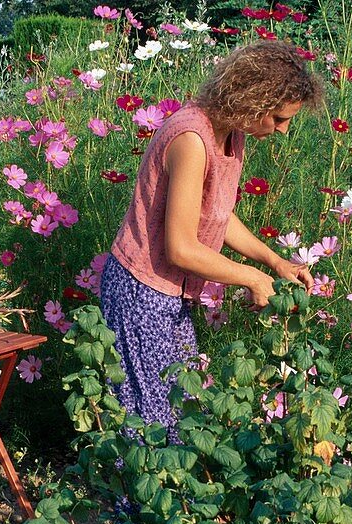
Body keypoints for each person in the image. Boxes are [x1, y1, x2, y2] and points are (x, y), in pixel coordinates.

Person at [100, 40, 322, 443]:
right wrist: (252, 279)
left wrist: (275, 263)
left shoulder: (231, 135)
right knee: (149, 422)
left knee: (183, 408)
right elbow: (180, 247)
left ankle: (165, 505)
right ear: (252, 99)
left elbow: (218, 214)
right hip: (141, 291)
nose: (283, 129)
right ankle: (127, 507)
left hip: (171, 294)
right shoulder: (191, 140)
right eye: (279, 117)